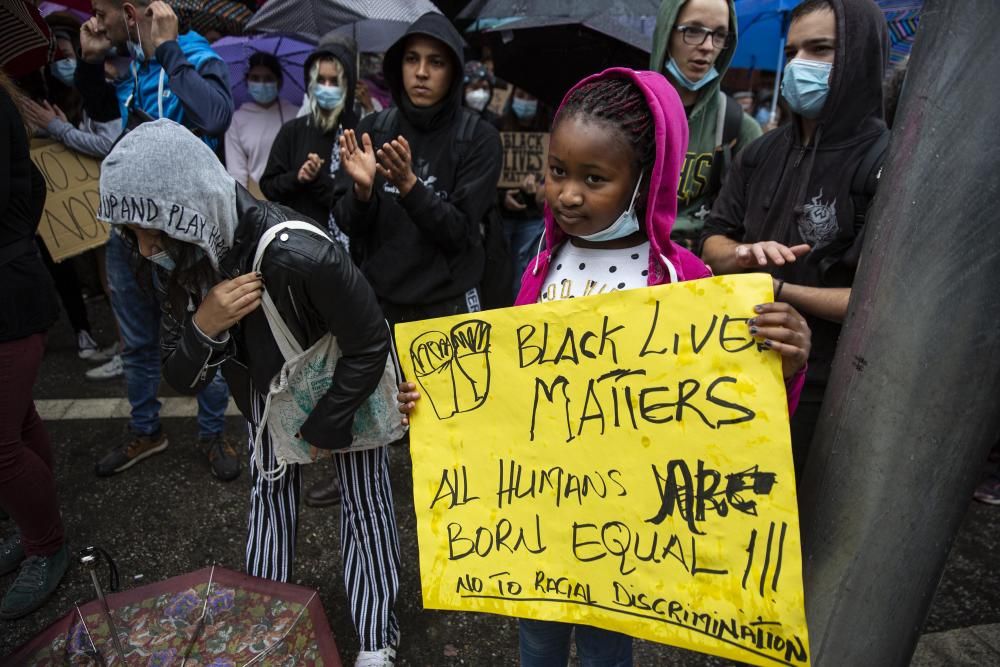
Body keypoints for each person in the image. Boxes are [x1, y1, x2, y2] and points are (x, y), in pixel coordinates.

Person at [397, 68, 811, 666]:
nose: (567, 194)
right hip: (538, 519)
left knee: (605, 651)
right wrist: (435, 405)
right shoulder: (542, 266)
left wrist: (787, 361)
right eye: (558, 171)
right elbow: (505, 394)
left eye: (595, 179)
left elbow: (741, 416)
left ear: (646, 182)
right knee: (535, 643)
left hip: (628, 532)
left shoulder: (685, 285)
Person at [98, 118, 401, 667]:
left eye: (152, 233)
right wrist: (203, 327)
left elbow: (369, 341)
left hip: (346, 387)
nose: (144, 250)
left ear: (188, 209)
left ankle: (377, 640)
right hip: (266, 392)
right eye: (131, 235)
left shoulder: (300, 253)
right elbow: (180, 376)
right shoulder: (181, 266)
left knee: (365, 505)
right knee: (269, 500)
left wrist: (328, 424)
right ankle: (264, 621)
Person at [701, 0, 889, 477]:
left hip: (828, 389)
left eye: (821, 49)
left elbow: (881, 302)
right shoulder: (760, 153)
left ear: (860, 57)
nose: (800, 64)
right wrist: (743, 256)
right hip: (735, 366)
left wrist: (778, 290)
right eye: (794, 51)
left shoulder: (887, 163)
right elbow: (713, 242)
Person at [74, 0, 237, 480]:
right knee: (138, 341)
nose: (94, 24)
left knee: (205, 333)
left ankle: (212, 434)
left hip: (187, 237)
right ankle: (146, 429)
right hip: (130, 231)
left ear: (128, 12)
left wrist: (168, 50)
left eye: (101, 14)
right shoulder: (130, 64)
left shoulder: (192, 53)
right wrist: (88, 66)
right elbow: (108, 126)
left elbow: (216, 116)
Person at [0, 70, 69, 621]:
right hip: (15, 285)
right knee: (18, 421)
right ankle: (37, 531)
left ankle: (47, 544)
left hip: (11, 297)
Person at [650, 0, 763, 251]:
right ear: (667, 32)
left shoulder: (739, 129)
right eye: (693, 31)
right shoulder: (629, 112)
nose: (707, 46)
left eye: (719, 35)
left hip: (697, 274)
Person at [261, 33, 358, 242]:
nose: (326, 87)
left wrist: (317, 180)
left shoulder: (357, 132)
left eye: (334, 81)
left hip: (344, 249)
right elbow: (269, 186)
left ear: (347, 85)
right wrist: (299, 177)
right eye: (321, 80)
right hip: (297, 245)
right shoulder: (292, 131)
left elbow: (356, 203)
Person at [497, 87, 550, 300]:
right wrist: (501, 196)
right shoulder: (497, 126)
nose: (525, 101)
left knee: (525, 269)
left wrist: (540, 190)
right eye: (520, 95)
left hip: (532, 217)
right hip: (502, 216)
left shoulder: (550, 131)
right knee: (500, 269)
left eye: (530, 96)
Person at [224, 51, 297, 191]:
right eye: (255, 78)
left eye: (268, 78)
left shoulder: (295, 114)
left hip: (290, 193)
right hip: (256, 197)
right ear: (247, 81)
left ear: (279, 81)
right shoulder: (237, 120)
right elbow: (237, 172)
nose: (262, 84)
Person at [462, 60, 500, 128]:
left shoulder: (494, 121)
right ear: (462, 90)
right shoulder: (451, 119)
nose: (481, 93)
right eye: (475, 87)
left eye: (485, 88)